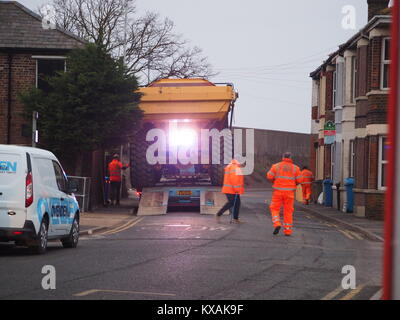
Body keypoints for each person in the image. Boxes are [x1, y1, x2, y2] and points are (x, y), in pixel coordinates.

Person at [267, 152, 302, 236]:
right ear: (291, 157)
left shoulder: (276, 166)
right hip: (289, 193)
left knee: (274, 208)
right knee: (288, 211)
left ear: (283, 157)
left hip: (278, 192)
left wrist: (274, 181)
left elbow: (269, 176)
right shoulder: (296, 168)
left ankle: (277, 223)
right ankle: (287, 230)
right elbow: (300, 180)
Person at [215, 159, 244, 223]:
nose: (243, 166)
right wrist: (237, 189)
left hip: (231, 189)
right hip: (231, 189)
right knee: (231, 203)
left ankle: (235, 219)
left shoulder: (232, 166)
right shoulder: (235, 167)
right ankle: (218, 214)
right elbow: (234, 179)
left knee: (237, 203)